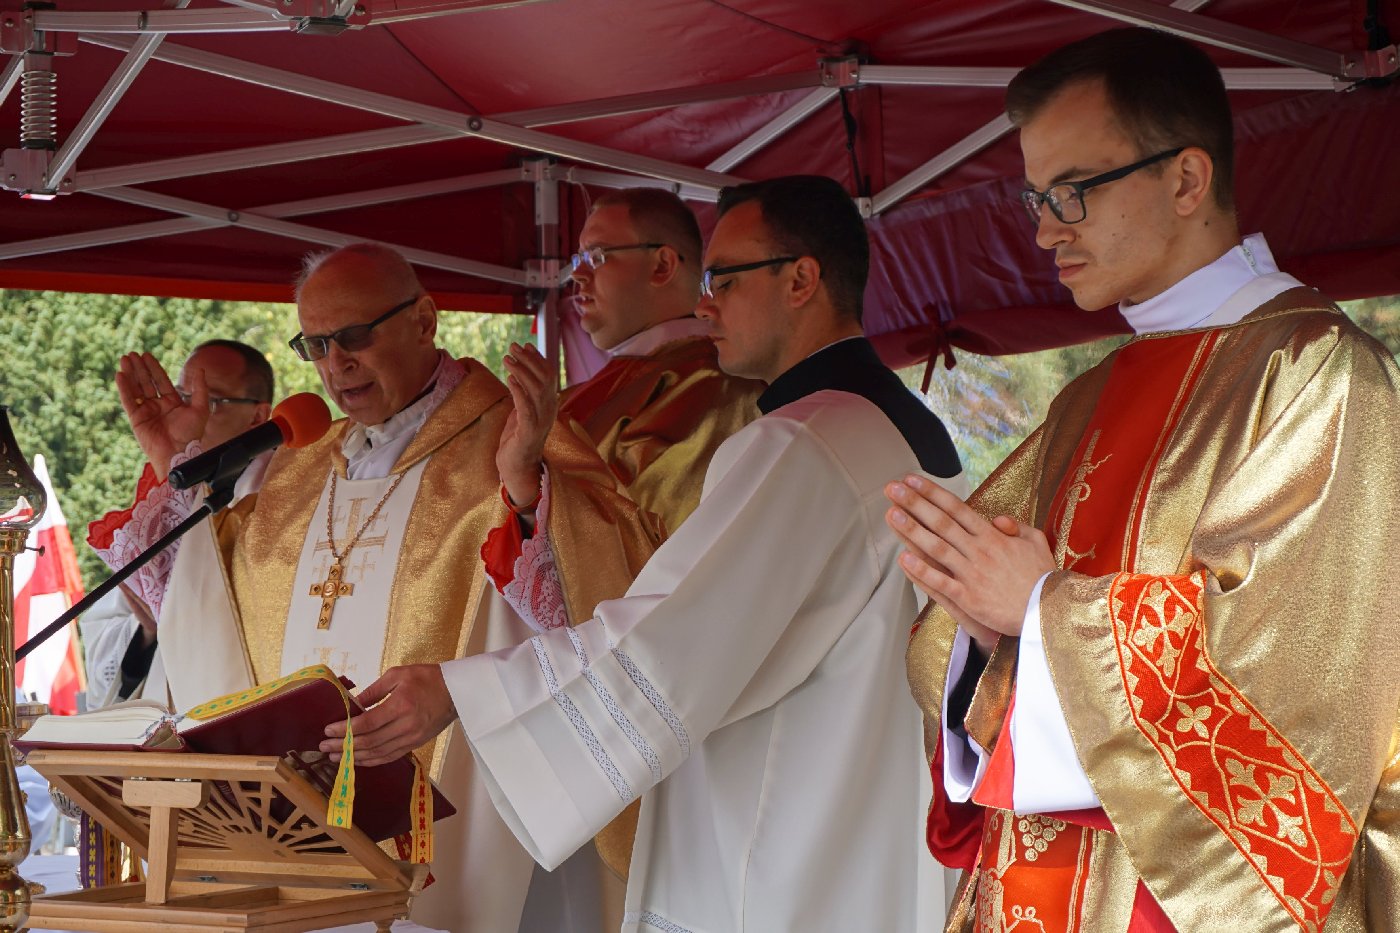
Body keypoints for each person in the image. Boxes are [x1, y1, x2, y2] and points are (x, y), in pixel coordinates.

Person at [338, 175, 966, 932]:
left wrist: (463, 692)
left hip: (780, 839)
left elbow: (672, 634)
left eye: (723, 280)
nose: (706, 307)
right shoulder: (905, 428)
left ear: (801, 279)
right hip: (864, 821)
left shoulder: (802, 441)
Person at [891, 28, 1400, 932]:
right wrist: (980, 626)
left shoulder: (1318, 371)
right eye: (1036, 197)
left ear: (1187, 180)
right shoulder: (1085, 399)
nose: (1045, 230)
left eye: (1072, 192)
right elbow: (969, 645)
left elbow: (1292, 686)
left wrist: (1042, 610)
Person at [90, 243, 653, 932]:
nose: (336, 364)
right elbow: (195, 612)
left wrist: (526, 485)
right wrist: (168, 460)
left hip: (481, 824)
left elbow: (605, 614)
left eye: (354, 336)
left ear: (424, 320)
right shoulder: (296, 468)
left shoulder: (514, 437)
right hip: (301, 835)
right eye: (316, 345)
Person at [486, 187, 765, 890]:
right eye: (576, 262)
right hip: (567, 716)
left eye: (597, 258)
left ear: (664, 263)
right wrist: (522, 479)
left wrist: (538, 478)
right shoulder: (586, 396)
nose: (576, 280)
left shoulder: (717, 391)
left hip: (659, 717)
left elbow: (658, 566)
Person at [84, 339, 274, 708]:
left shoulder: (287, 498)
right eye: (184, 396)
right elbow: (105, 632)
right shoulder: (160, 507)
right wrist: (148, 632)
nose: (192, 411)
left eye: (212, 400)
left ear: (257, 415)